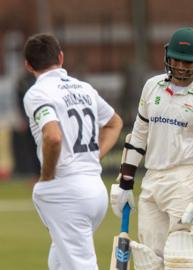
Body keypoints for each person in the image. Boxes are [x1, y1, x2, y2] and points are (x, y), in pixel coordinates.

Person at [110, 27, 193, 270]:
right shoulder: (152, 87)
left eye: (188, 61)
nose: (181, 67)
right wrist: (126, 182)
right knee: (148, 259)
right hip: (152, 180)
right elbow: (139, 134)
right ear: (166, 56)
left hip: (185, 180)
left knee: (182, 258)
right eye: (176, 60)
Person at [22, 33, 123, 269]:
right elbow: (114, 122)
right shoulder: (85, 88)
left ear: (27, 65)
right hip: (95, 189)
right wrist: (92, 157)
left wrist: (46, 176)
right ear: (61, 57)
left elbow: (53, 136)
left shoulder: (37, 93)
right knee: (59, 260)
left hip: (67, 191)